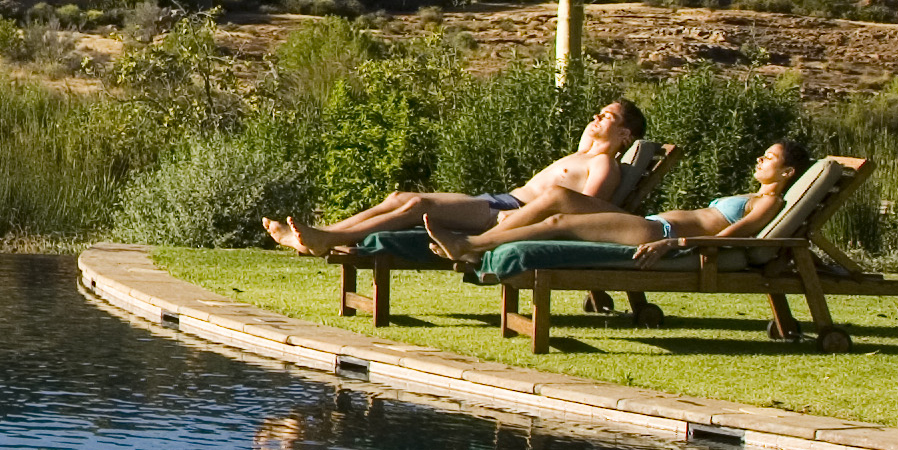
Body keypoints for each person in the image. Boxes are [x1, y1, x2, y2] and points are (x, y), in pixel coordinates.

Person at [263, 99, 649, 257]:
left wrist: (514, 221)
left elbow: (590, 212)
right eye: (597, 113)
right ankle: (319, 234)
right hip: (500, 200)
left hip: (508, 212)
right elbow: (589, 144)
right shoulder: (586, 153)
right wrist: (601, 133)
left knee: (418, 206)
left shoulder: (604, 166)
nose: (595, 119)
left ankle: (328, 238)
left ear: (625, 135)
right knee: (401, 196)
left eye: (606, 117)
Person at [435, 141, 810, 263]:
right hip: (649, 222)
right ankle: (491, 231)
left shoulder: (768, 204)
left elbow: (736, 237)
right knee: (559, 196)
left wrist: (671, 243)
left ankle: (470, 246)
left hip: (659, 232)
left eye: (769, 158)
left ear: (787, 172)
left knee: (556, 224)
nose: (759, 160)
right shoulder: (750, 195)